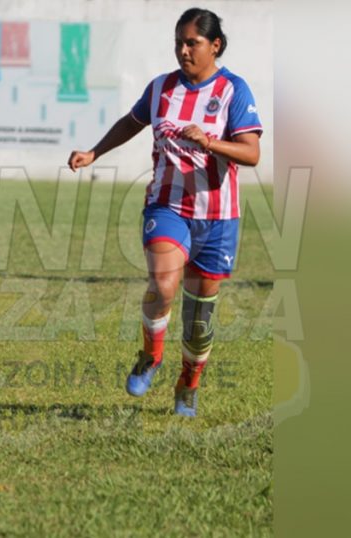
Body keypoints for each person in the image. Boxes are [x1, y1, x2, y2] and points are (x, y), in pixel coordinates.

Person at [68, 8, 262, 417]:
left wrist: (210, 142)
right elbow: (131, 121)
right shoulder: (161, 88)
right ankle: (150, 356)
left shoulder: (233, 90)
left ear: (215, 46)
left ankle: (187, 386)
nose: (183, 50)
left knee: (198, 317)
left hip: (219, 217)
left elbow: (251, 153)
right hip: (167, 206)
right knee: (163, 283)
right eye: (179, 42)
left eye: (192, 42)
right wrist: (94, 151)